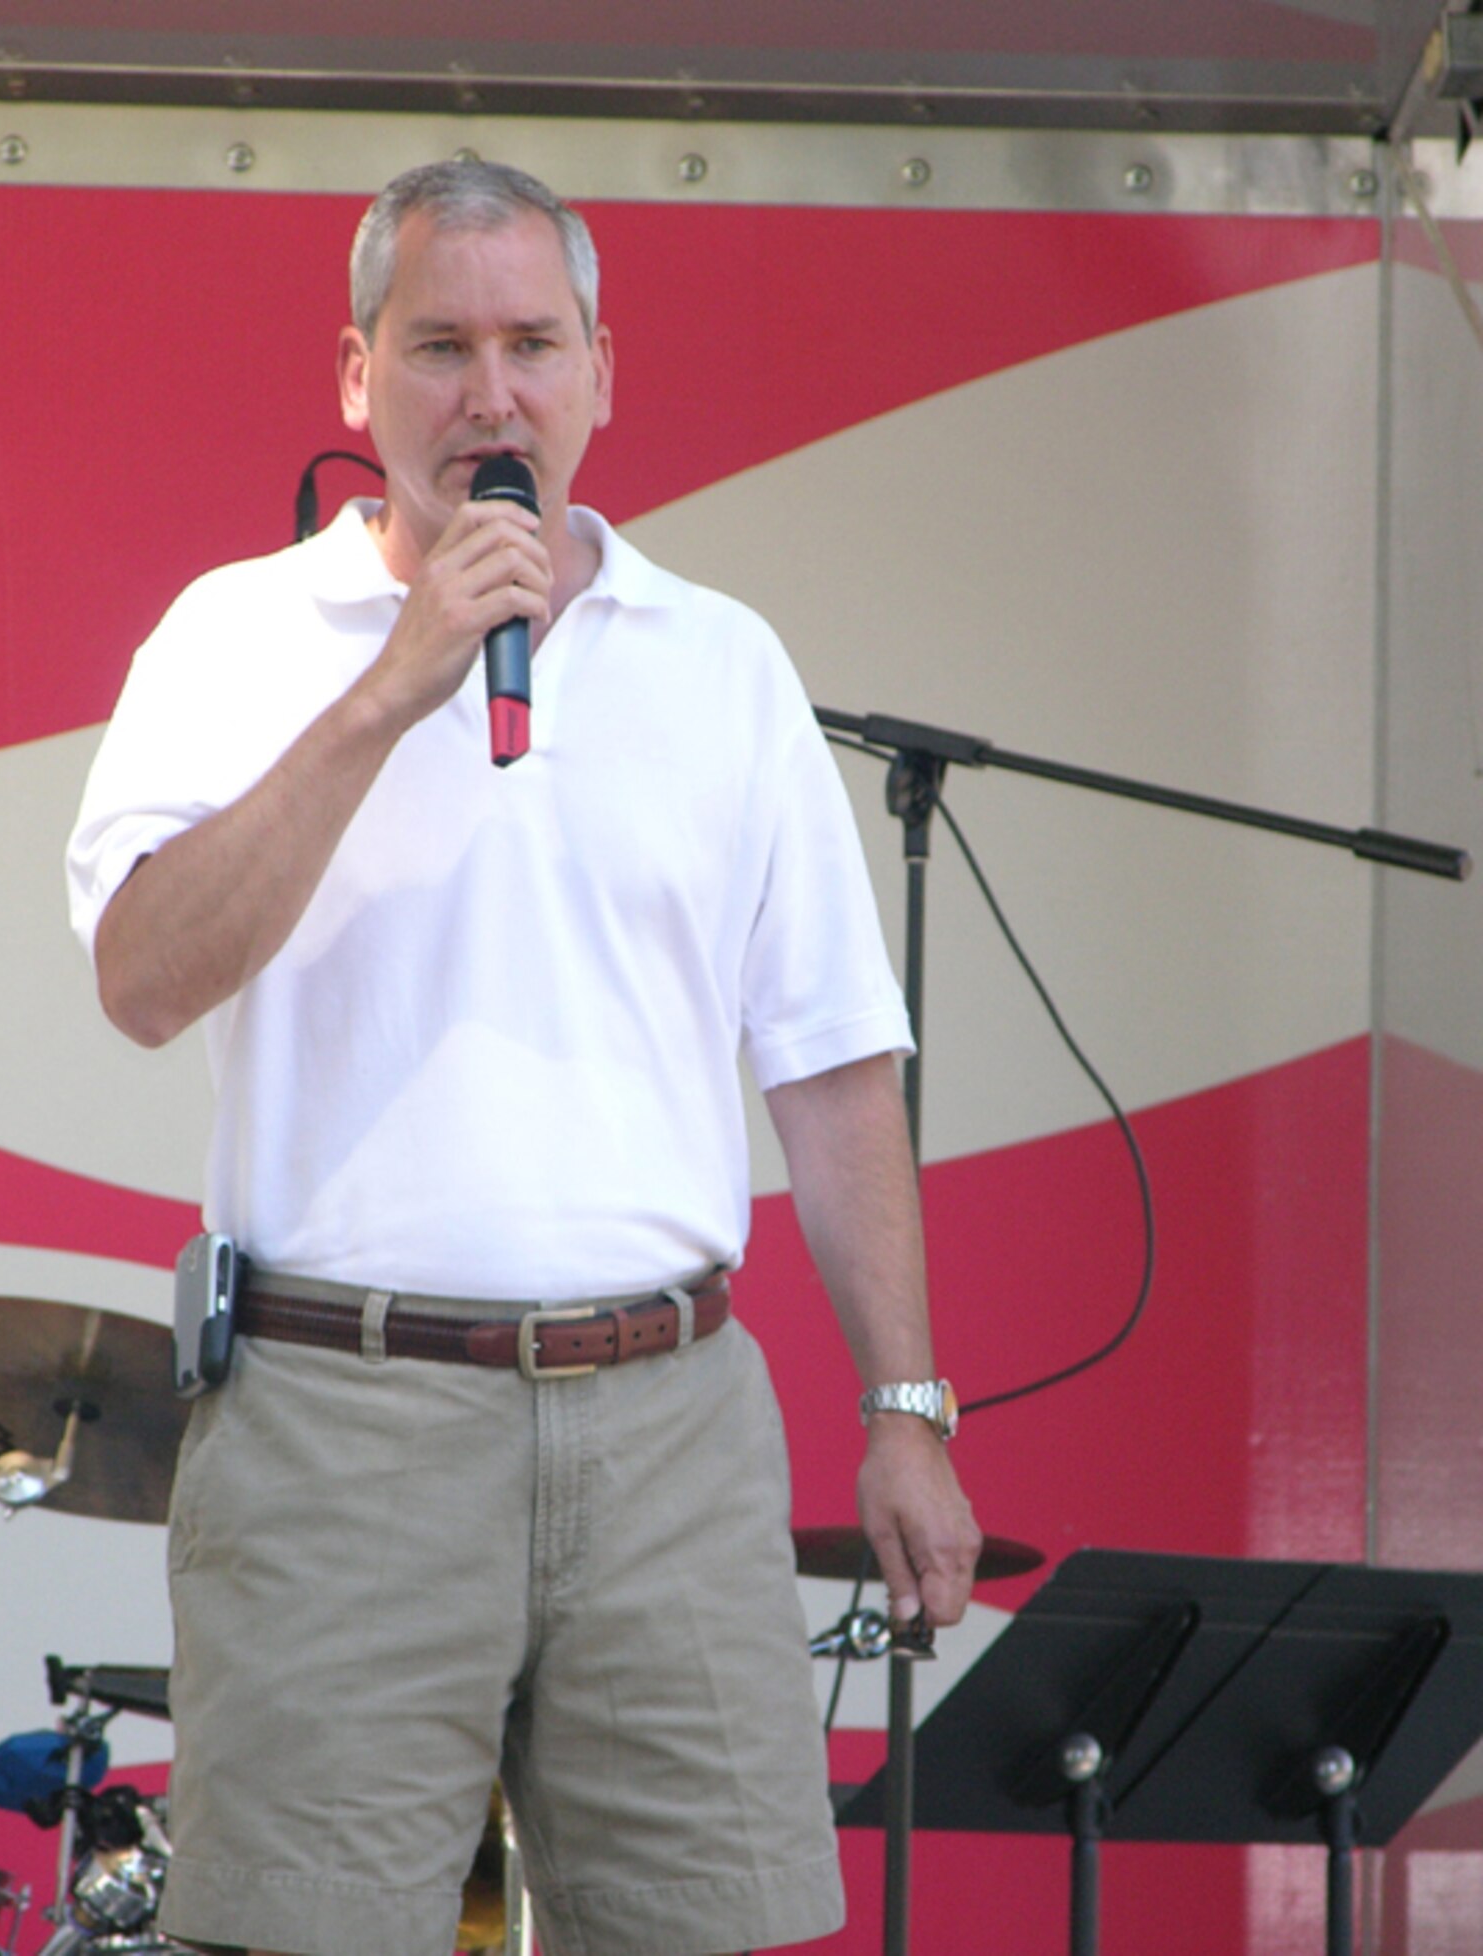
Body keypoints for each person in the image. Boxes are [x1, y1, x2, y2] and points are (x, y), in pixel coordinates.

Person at [67, 157, 981, 1956]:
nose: (491, 393)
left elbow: (831, 1070)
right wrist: (395, 682)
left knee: (710, 1928)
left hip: (668, 1420)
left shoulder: (721, 664)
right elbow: (146, 979)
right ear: (357, 376)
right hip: (341, 1417)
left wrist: (906, 1407)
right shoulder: (234, 639)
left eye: (532, 345)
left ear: (599, 375)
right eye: (440, 347)